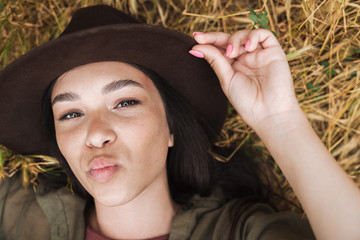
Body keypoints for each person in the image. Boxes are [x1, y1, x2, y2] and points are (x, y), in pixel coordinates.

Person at [0, 4, 359, 240]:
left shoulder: (240, 232)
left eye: (125, 102)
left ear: (171, 127)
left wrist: (280, 121)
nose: (95, 134)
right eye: (71, 114)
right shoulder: (14, 215)